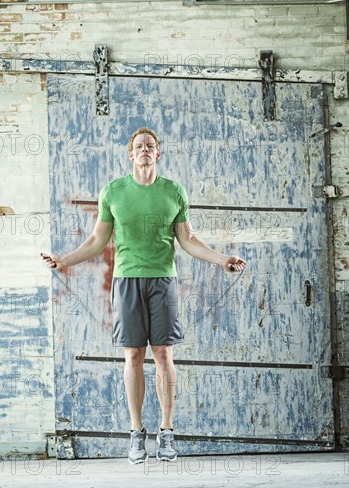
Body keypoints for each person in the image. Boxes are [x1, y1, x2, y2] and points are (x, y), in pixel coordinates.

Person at [42, 127, 246, 464]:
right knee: (134, 356)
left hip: (163, 281)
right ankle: (137, 433)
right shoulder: (114, 191)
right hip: (127, 281)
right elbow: (97, 241)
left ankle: (167, 432)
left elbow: (189, 240)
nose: (145, 150)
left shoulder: (173, 192)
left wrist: (223, 259)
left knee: (163, 354)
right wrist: (64, 260)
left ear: (158, 153)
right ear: (130, 154)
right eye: (139, 146)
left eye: (151, 146)